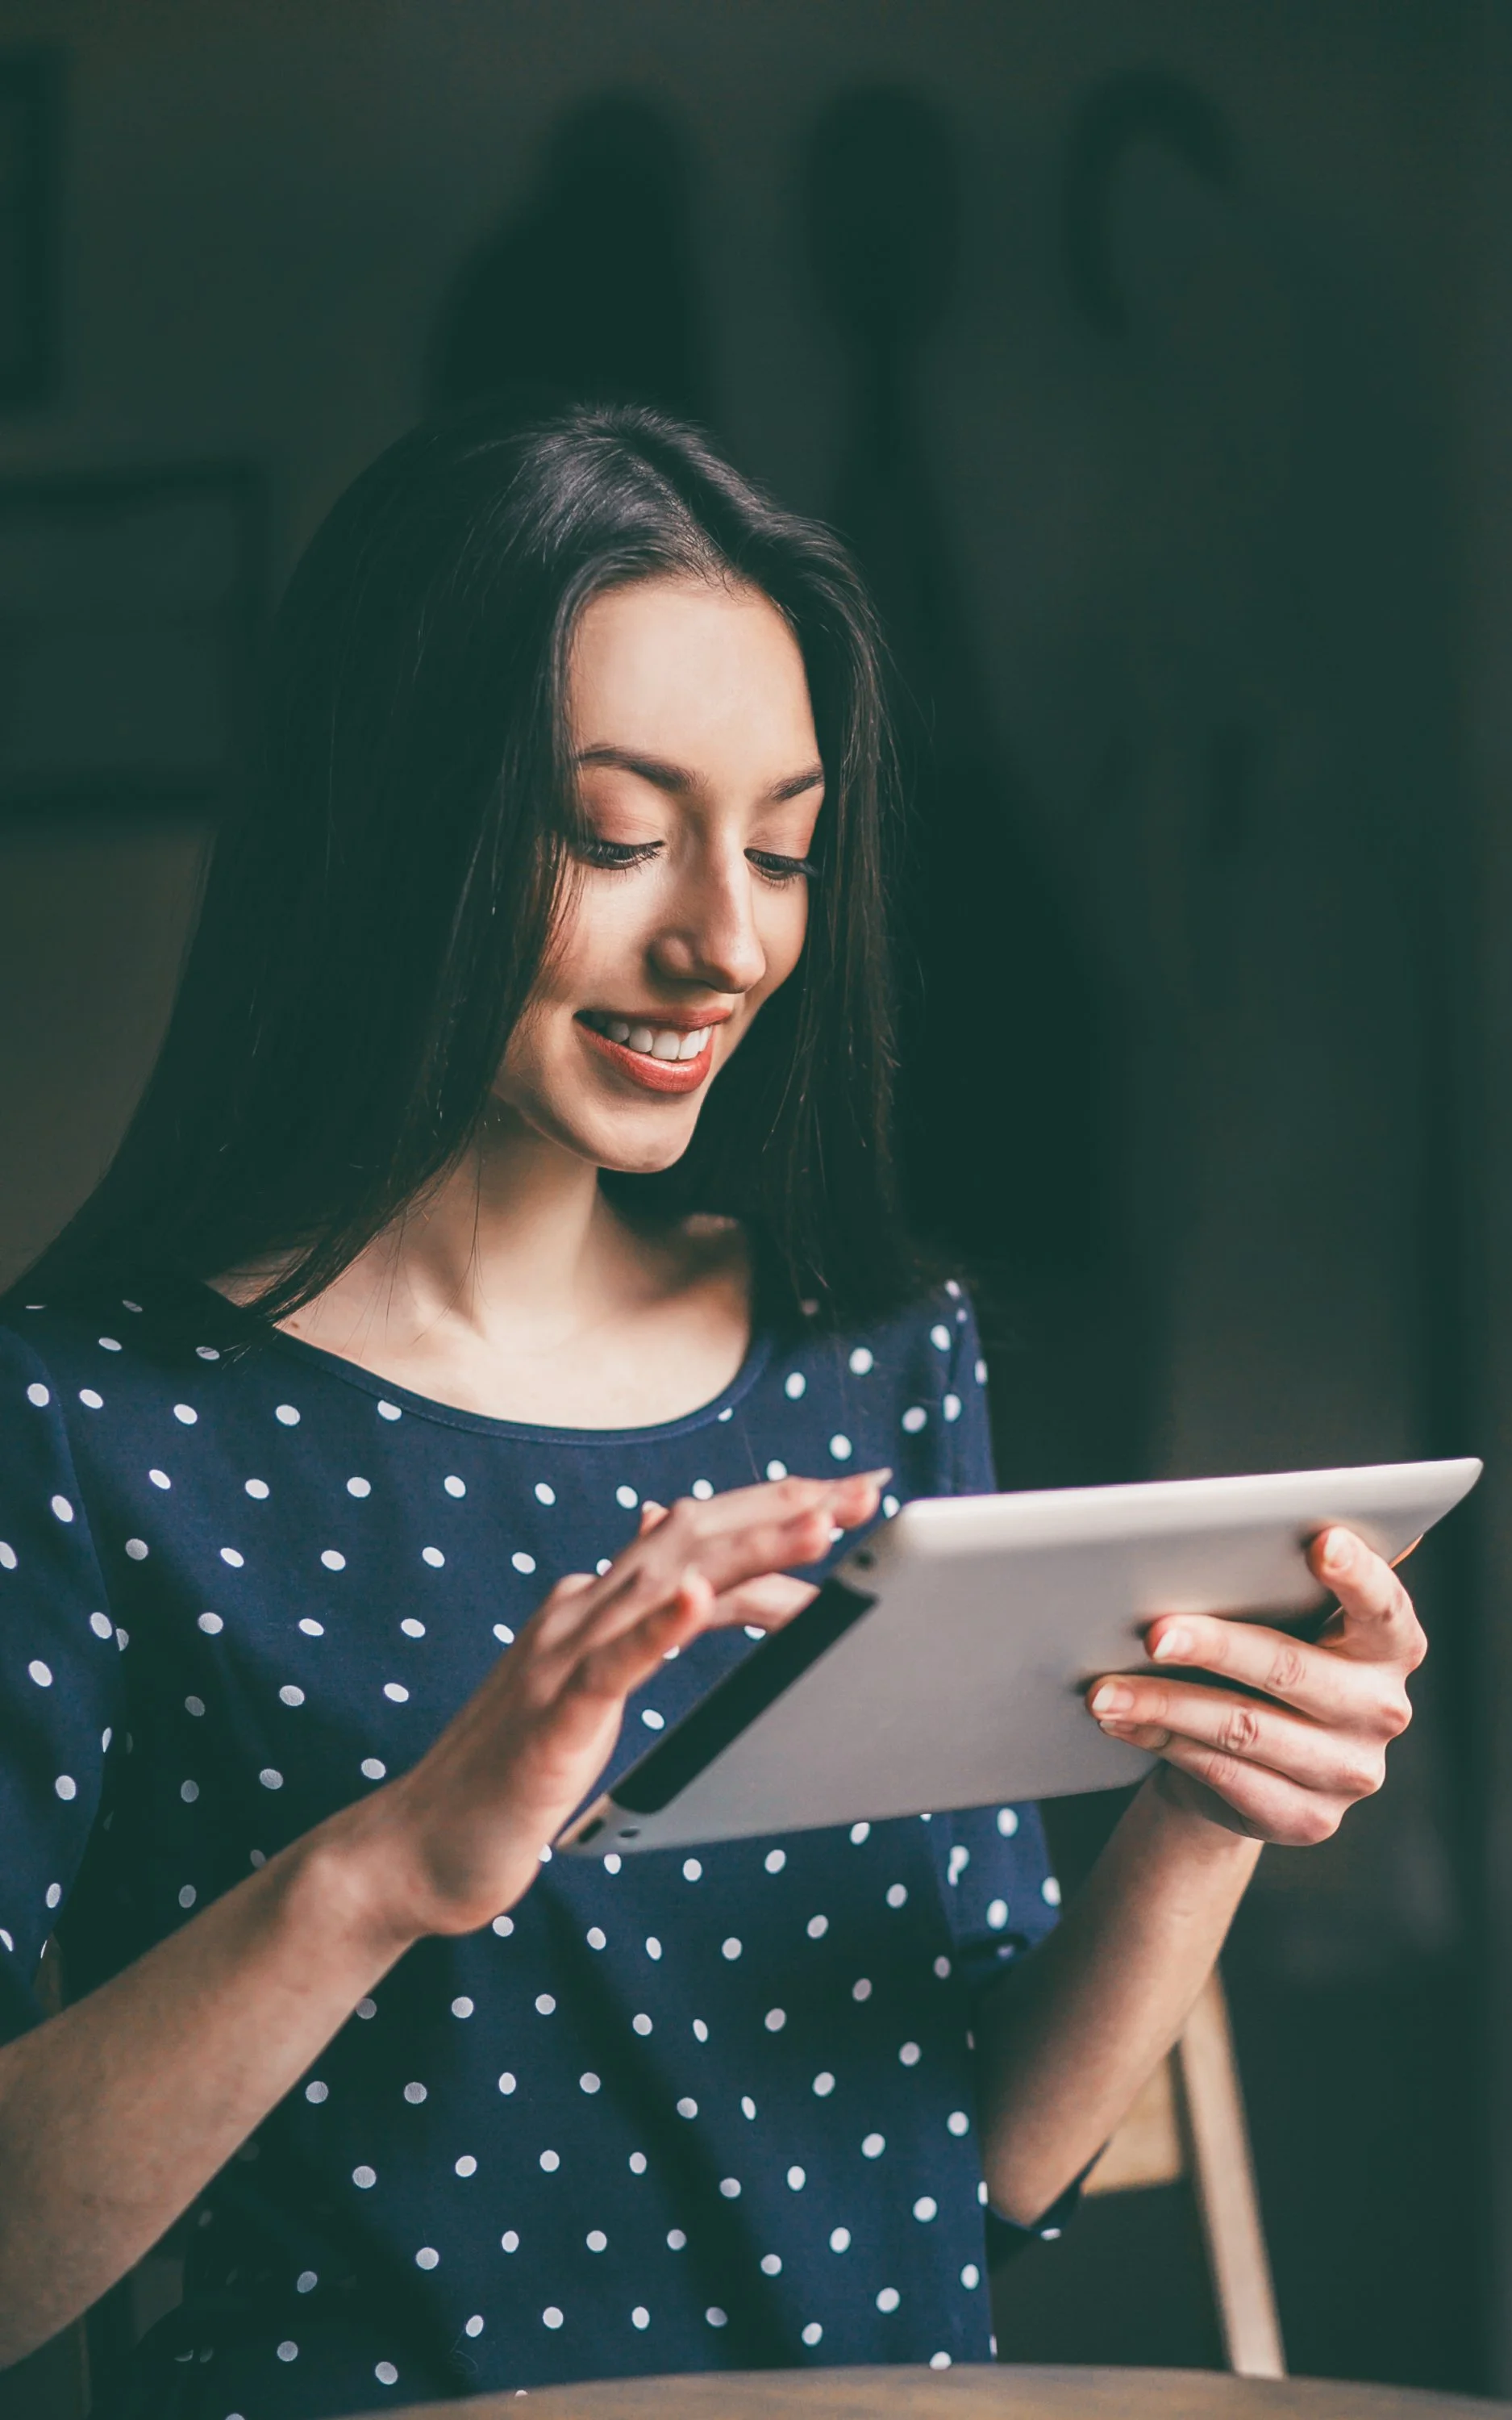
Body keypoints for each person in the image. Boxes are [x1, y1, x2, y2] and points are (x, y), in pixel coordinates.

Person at [0, 404, 1425, 2418]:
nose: (728, 942)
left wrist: (1201, 1818)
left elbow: (991, 2168)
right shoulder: (86, 1420)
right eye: (613, 835)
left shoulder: (876, 1355)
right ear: (390, 815)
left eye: (779, 847)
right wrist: (387, 1868)